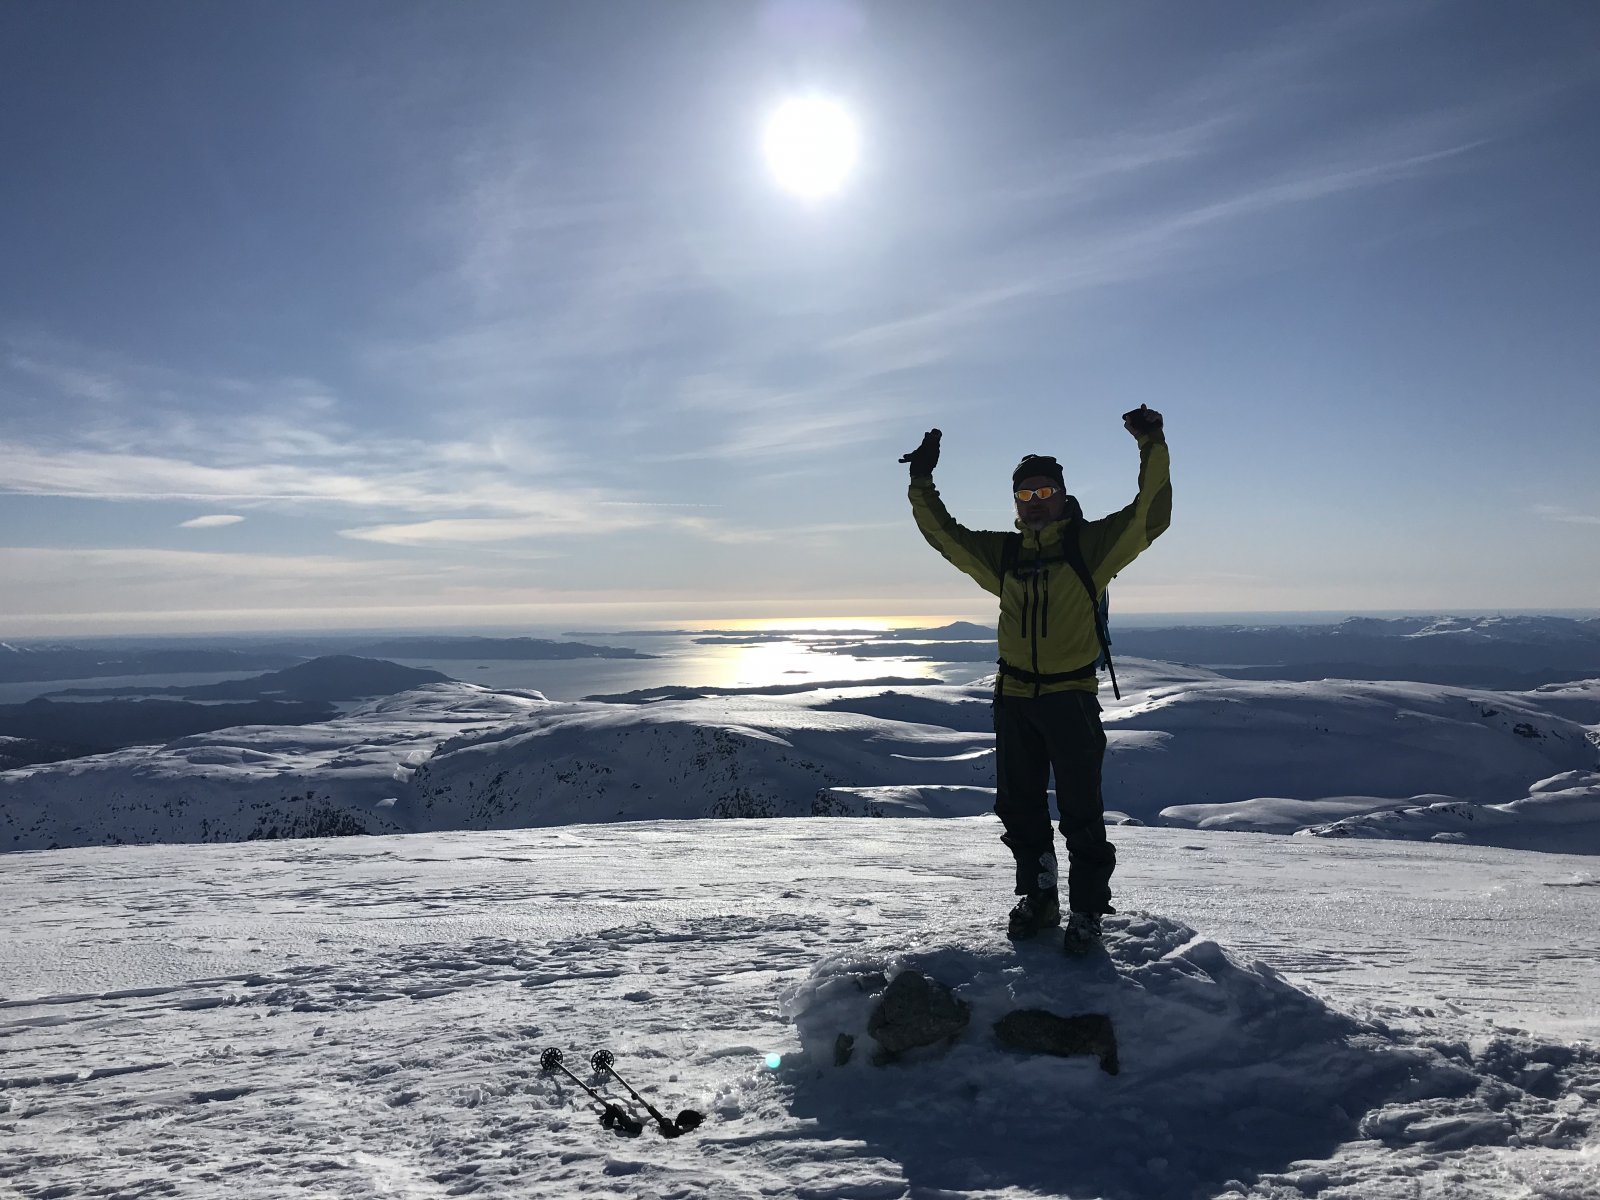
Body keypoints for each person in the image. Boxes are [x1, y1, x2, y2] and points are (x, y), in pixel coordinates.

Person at [899, 408, 1171, 953]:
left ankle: (1087, 911)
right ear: (1015, 502)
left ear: (1063, 495)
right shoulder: (1004, 555)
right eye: (1025, 494)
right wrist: (921, 480)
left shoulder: (1091, 548)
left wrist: (1151, 442)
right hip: (1015, 698)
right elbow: (944, 536)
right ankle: (1040, 896)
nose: (1035, 501)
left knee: (1081, 812)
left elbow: (1150, 514)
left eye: (1045, 491)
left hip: (1071, 698)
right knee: (1020, 808)